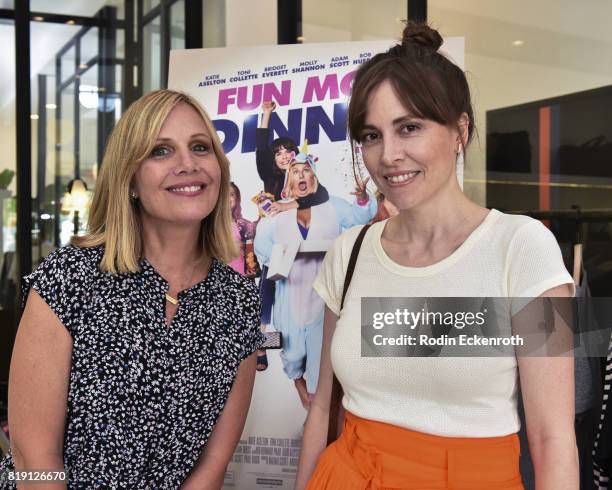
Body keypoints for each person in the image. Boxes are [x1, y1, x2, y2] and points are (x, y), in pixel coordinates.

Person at [295, 22, 578, 490]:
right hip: (344, 474)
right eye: (371, 135)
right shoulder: (351, 251)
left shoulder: (525, 247)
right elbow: (323, 406)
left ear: (459, 131)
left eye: (409, 128)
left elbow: (553, 440)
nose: (388, 156)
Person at [0, 90, 264, 489]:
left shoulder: (238, 299)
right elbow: (34, 458)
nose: (188, 164)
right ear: (131, 180)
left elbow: (213, 462)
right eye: (161, 151)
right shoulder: (71, 278)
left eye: (200, 147)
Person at [254, 150, 376, 409]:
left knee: (321, 361)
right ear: (289, 182)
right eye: (295, 172)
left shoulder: (332, 205)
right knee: (293, 356)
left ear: (314, 178)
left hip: (323, 298)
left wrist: (364, 199)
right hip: (291, 297)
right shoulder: (277, 214)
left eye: (306, 171)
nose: (301, 175)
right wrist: (286, 256)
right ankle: (303, 389)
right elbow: (263, 250)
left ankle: (316, 408)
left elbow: (358, 218)